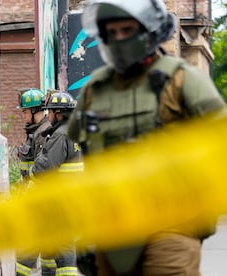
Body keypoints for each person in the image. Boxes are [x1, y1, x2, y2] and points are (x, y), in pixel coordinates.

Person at [68, 0, 227, 275]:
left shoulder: (182, 79)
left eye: (127, 30)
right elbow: (83, 150)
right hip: (113, 225)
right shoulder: (96, 89)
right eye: (112, 32)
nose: (119, 39)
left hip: (173, 220)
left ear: (149, 32)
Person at [29, 91, 84, 276]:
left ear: (59, 113)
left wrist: (31, 172)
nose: (48, 115)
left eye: (50, 111)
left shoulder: (61, 135)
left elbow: (45, 167)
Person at [15, 88, 55, 276]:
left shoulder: (44, 133)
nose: (22, 115)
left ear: (34, 111)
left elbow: (43, 170)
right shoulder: (35, 132)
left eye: (24, 111)